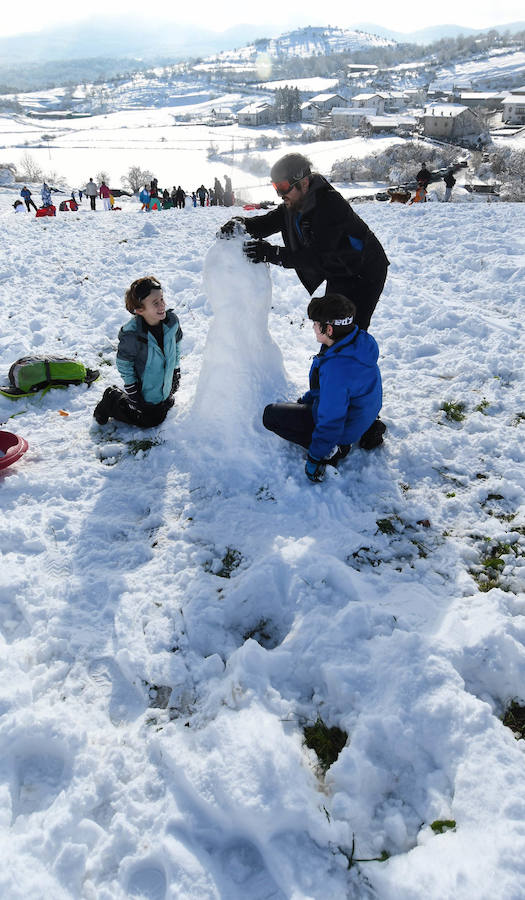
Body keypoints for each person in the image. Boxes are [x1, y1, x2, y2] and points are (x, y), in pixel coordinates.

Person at [220, 152, 389, 332]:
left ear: (304, 182)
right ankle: (332, 358)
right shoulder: (295, 202)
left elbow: (316, 258)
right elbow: (268, 222)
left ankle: (352, 357)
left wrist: (272, 253)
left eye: (284, 186)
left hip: (364, 271)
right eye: (276, 187)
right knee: (330, 327)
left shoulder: (330, 205)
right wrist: (240, 224)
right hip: (338, 269)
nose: (280, 194)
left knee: (349, 331)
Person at [263, 294, 384, 483]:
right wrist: (309, 399)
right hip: (362, 415)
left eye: (315, 323)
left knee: (270, 415)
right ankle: (357, 432)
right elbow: (335, 392)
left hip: (344, 429)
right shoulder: (358, 343)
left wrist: (315, 456)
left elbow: (331, 419)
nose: (312, 326)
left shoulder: (338, 369)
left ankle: (336, 450)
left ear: (328, 329)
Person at [93, 276, 183, 428]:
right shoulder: (132, 335)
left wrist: (176, 369)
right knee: (151, 420)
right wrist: (131, 388)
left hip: (163, 381)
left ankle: (160, 400)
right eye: (155, 303)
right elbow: (124, 363)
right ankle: (112, 400)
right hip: (144, 386)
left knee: (162, 407)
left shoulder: (171, 322)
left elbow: (177, 345)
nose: (162, 305)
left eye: (162, 299)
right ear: (140, 310)